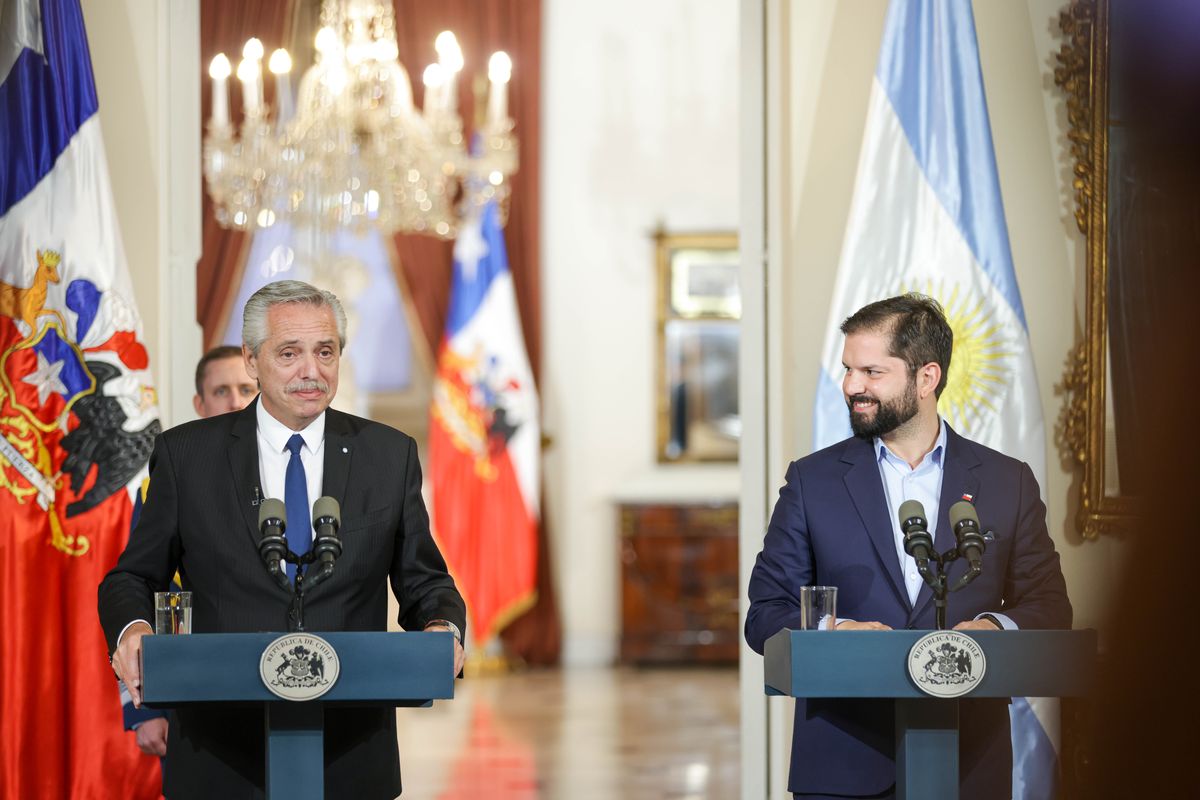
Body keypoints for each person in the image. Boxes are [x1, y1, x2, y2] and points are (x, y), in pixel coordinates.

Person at [99, 280, 466, 799]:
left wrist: (441, 625)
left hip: (350, 751)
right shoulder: (187, 457)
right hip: (220, 752)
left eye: (325, 352)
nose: (311, 371)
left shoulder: (389, 455)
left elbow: (425, 580)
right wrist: (132, 629)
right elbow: (132, 577)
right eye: (289, 353)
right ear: (251, 359)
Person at [745, 293, 1071, 800]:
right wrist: (837, 629)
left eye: (872, 372)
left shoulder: (1010, 483)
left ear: (926, 378)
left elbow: (1050, 606)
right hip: (843, 763)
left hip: (970, 766)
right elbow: (765, 613)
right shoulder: (812, 482)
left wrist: (993, 626)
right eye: (849, 370)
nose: (852, 386)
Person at [119, 345, 259, 760]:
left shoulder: (292, 471)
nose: (235, 401)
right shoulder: (167, 480)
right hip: (194, 695)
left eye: (246, 389)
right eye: (221, 391)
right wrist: (145, 708)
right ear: (200, 403)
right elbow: (141, 586)